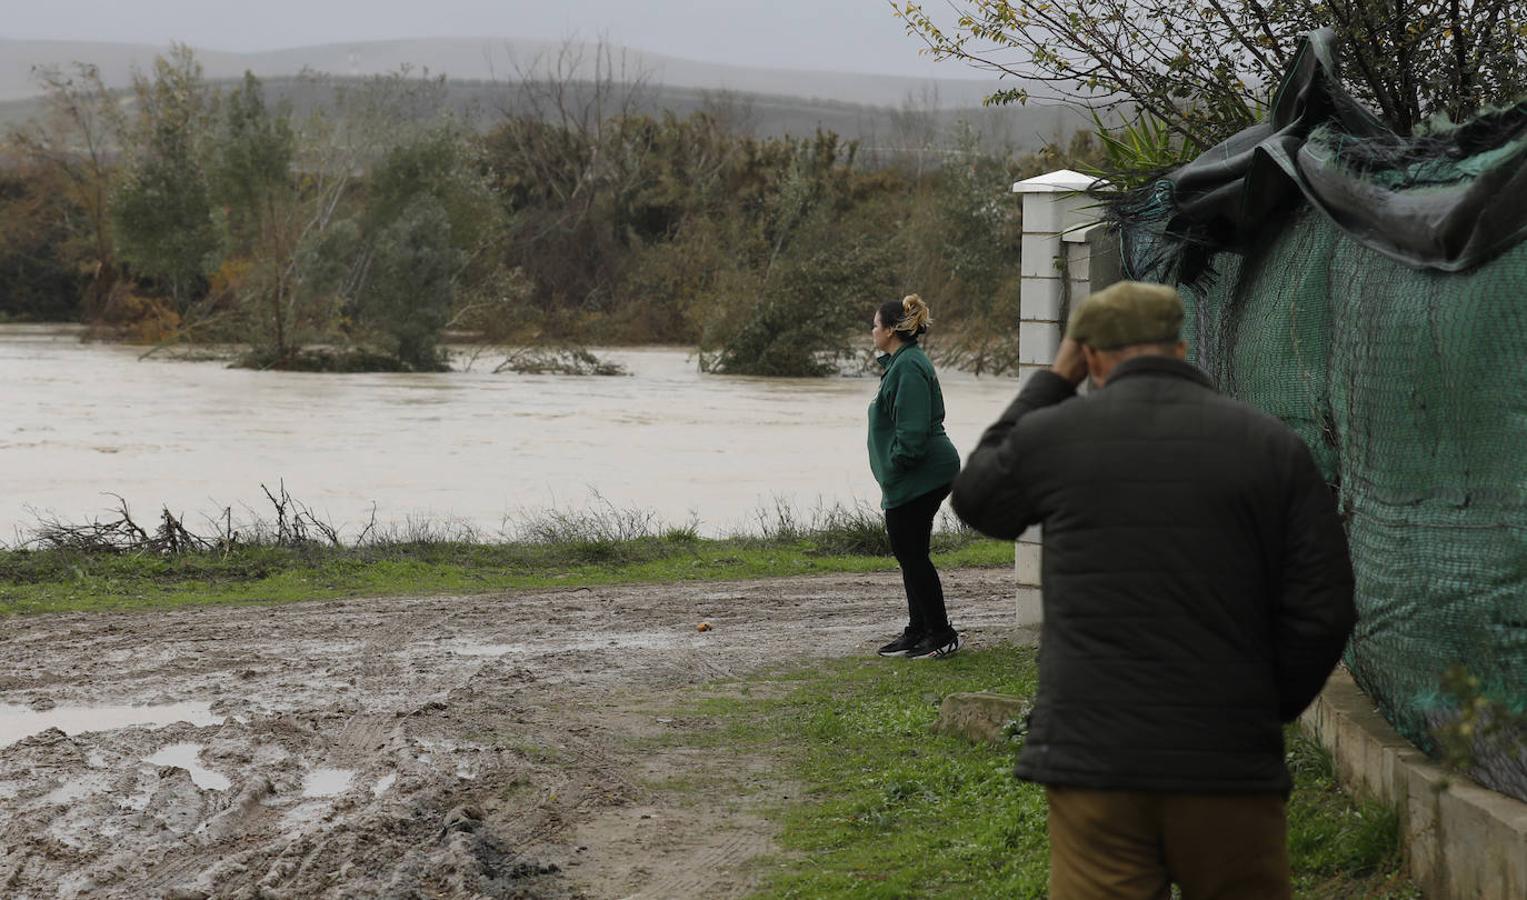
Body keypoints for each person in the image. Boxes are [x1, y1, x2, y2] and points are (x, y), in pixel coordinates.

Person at [951, 281, 1357, 899]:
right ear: (1183, 346)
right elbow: (1324, 607)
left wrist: (1051, 383)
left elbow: (978, 498)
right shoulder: (1269, 445)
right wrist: (1261, 707)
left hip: (1096, 764)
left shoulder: (1056, 435)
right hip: (1227, 761)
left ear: (1088, 358)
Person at [868, 294, 963, 660]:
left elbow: (911, 436)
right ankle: (918, 629)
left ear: (891, 329)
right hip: (914, 476)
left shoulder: (908, 367)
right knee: (911, 554)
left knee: (912, 554)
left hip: (922, 474)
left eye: (876, 325)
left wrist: (894, 467)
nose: (872, 331)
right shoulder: (901, 362)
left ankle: (940, 633)